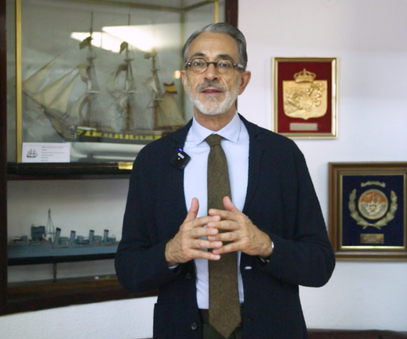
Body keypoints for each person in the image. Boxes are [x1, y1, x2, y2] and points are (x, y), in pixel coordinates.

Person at [115, 22, 335, 339]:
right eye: (199, 63)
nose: (210, 73)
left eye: (224, 63)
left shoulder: (281, 156)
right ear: (187, 78)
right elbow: (128, 272)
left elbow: (320, 265)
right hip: (183, 329)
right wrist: (172, 251)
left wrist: (265, 245)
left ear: (242, 80)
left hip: (273, 329)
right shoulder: (153, 160)